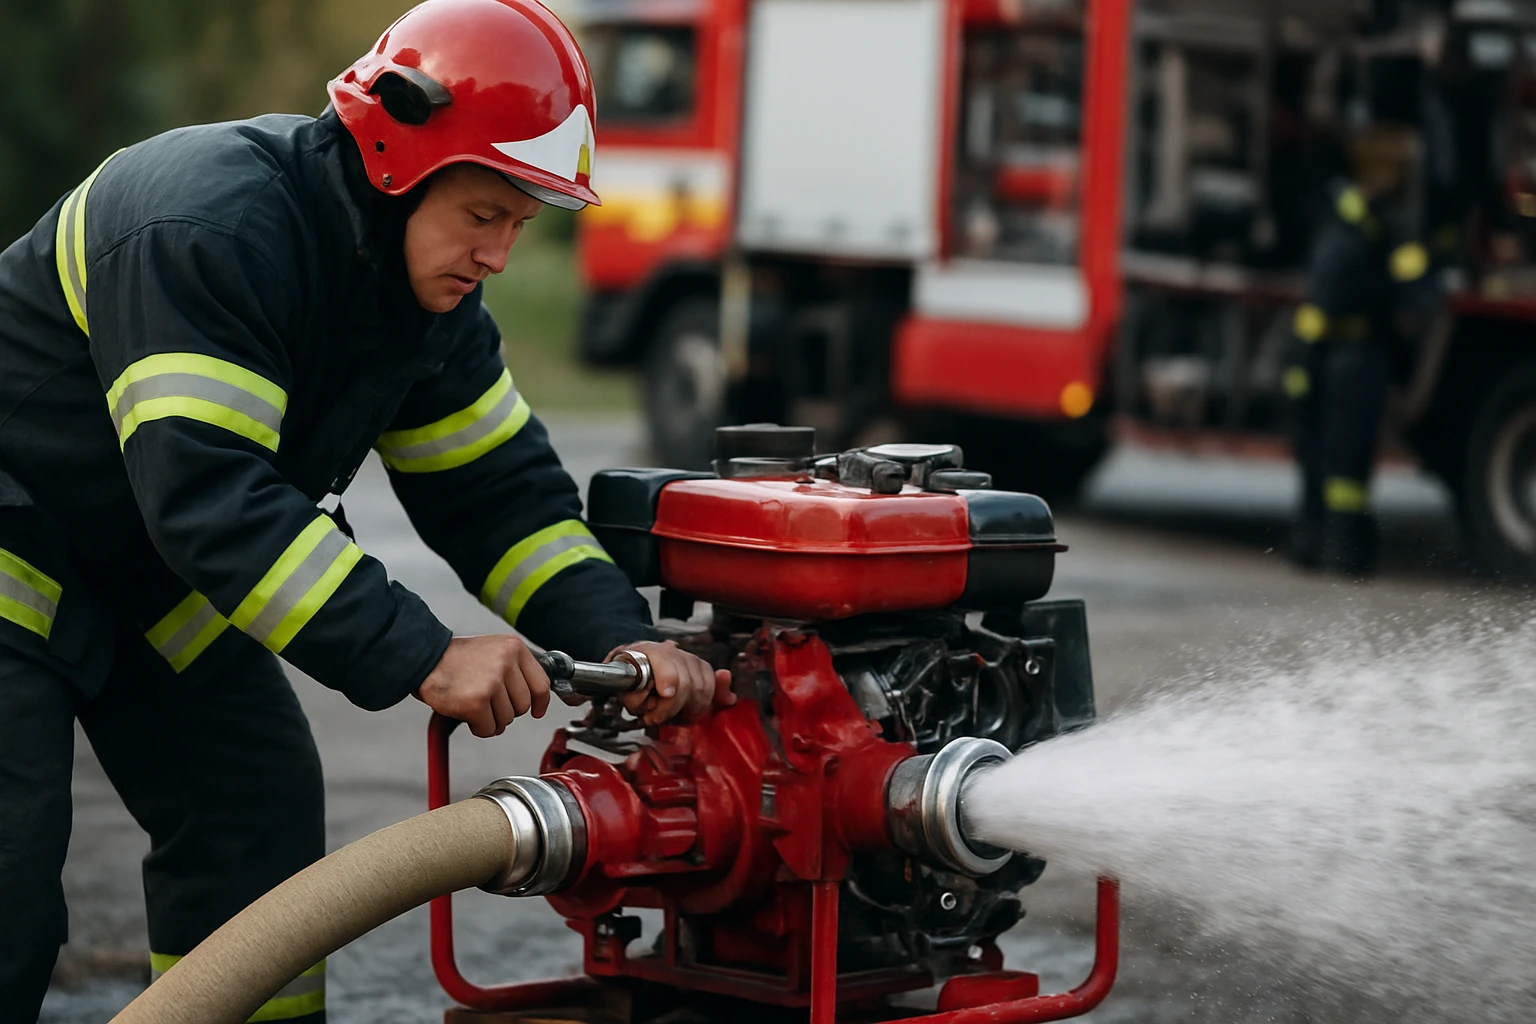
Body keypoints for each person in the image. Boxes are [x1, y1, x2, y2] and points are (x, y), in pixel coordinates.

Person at [0, 1, 730, 1020]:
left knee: (251, 810)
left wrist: (623, 637)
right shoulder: (213, 226)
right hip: (19, 547)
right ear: (395, 154)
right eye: (484, 214)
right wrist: (424, 653)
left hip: (144, 574)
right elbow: (211, 497)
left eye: (519, 226)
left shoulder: (424, 303)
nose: (498, 255)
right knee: (10, 880)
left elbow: (499, 497)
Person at [1286, 125, 1444, 576]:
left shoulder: (1335, 224)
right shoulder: (1379, 229)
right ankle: (1345, 553)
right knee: (1346, 461)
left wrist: (1298, 369)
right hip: (1353, 360)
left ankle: (1313, 545)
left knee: (1320, 457)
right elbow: (1415, 290)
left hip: (1320, 358)